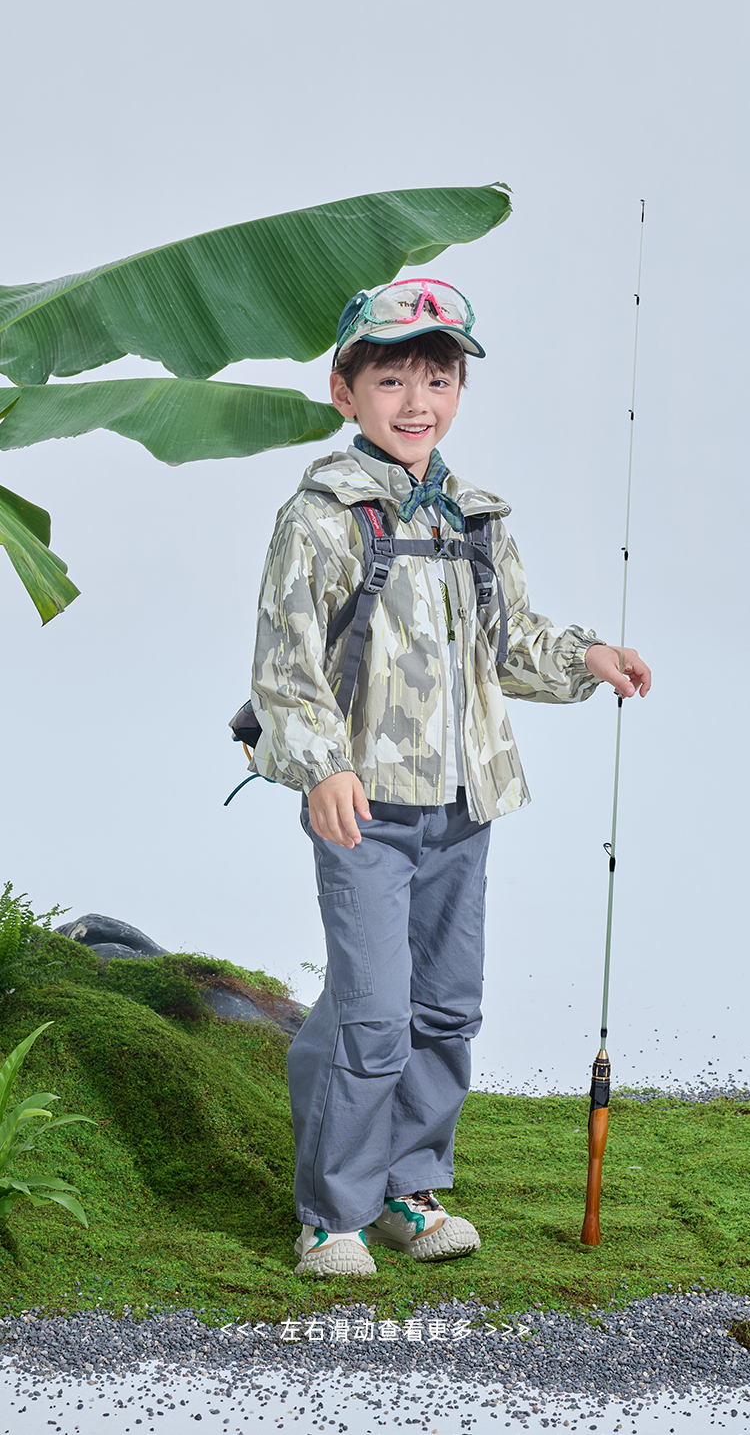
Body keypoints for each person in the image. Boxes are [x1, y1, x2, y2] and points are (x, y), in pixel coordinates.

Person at [250, 278, 651, 1278]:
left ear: (460, 391)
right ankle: (333, 1214)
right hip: (365, 809)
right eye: (392, 379)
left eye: (438, 378)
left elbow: (509, 642)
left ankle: (409, 1184)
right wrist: (322, 767)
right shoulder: (322, 515)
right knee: (371, 1012)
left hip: (466, 805)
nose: (417, 400)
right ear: (345, 391)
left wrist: (587, 656)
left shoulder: (476, 518)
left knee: (444, 1009)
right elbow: (287, 666)